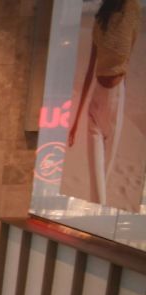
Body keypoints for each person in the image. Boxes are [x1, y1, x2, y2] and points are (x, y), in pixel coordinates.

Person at [68, 0, 140, 205]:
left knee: (103, 179)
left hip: (117, 98)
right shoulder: (101, 21)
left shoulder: (131, 11)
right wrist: (75, 124)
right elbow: (90, 71)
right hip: (98, 101)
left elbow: (127, 55)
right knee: (98, 183)